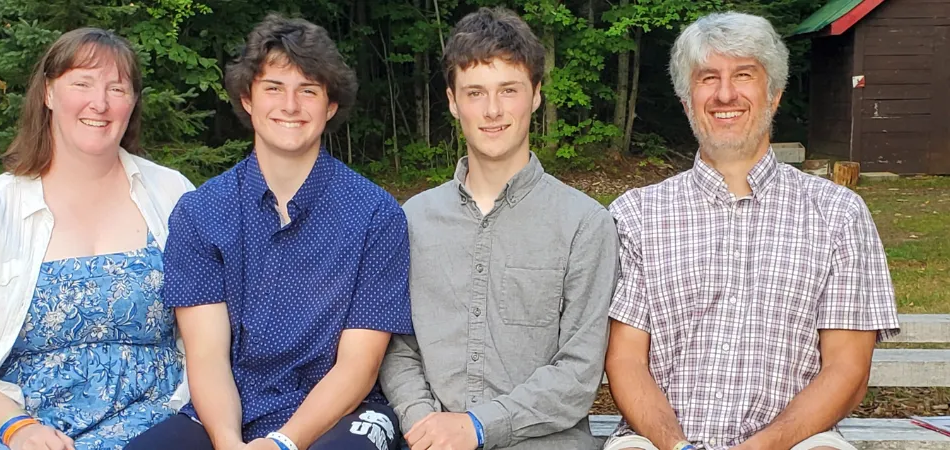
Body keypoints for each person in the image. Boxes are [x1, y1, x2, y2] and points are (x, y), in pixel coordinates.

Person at [603, 12, 900, 450]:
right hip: (657, 441)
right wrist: (677, 446)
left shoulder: (839, 214)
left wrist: (762, 447)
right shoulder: (636, 215)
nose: (725, 94)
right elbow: (626, 360)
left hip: (796, 441)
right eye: (708, 78)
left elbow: (847, 369)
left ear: (774, 94)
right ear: (687, 100)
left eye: (744, 75)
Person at [125, 14, 413, 450]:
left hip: (343, 412)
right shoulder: (201, 212)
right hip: (232, 407)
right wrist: (227, 441)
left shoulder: (376, 214)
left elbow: (359, 364)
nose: (291, 106)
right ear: (247, 99)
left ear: (330, 105)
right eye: (274, 88)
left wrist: (283, 442)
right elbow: (207, 357)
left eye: (308, 91)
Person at [0, 28, 194, 450]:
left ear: (132, 103)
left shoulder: (173, 194)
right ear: (48, 94)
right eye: (82, 83)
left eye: (117, 88)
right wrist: (17, 429)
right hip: (21, 421)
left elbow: (211, 332)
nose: (101, 103)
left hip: (156, 418)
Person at [378, 7, 618, 450]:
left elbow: (579, 372)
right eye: (475, 93)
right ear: (452, 101)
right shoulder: (412, 219)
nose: (492, 110)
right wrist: (425, 423)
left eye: (508, 90)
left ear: (536, 95)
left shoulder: (585, 224)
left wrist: (477, 426)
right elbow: (397, 348)